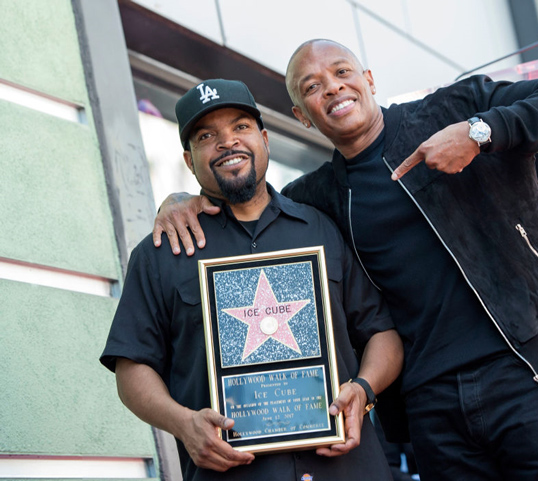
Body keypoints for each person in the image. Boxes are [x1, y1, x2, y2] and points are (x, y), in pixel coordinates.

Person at [152, 40, 538, 480]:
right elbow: (247, 198)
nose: (331, 87)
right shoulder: (317, 199)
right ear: (302, 117)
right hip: (430, 408)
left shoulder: (454, 110)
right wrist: (180, 198)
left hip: (525, 372)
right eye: (312, 87)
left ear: (369, 80)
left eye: (341, 72)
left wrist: (481, 133)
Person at [100, 78, 403, 481]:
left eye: (240, 127)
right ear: (189, 161)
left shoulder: (322, 227)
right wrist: (182, 423)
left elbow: (382, 333)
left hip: (348, 469)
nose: (227, 142)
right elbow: (131, 367)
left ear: (264, 139)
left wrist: (363, 390)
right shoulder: (161, 252)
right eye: (207, 136)